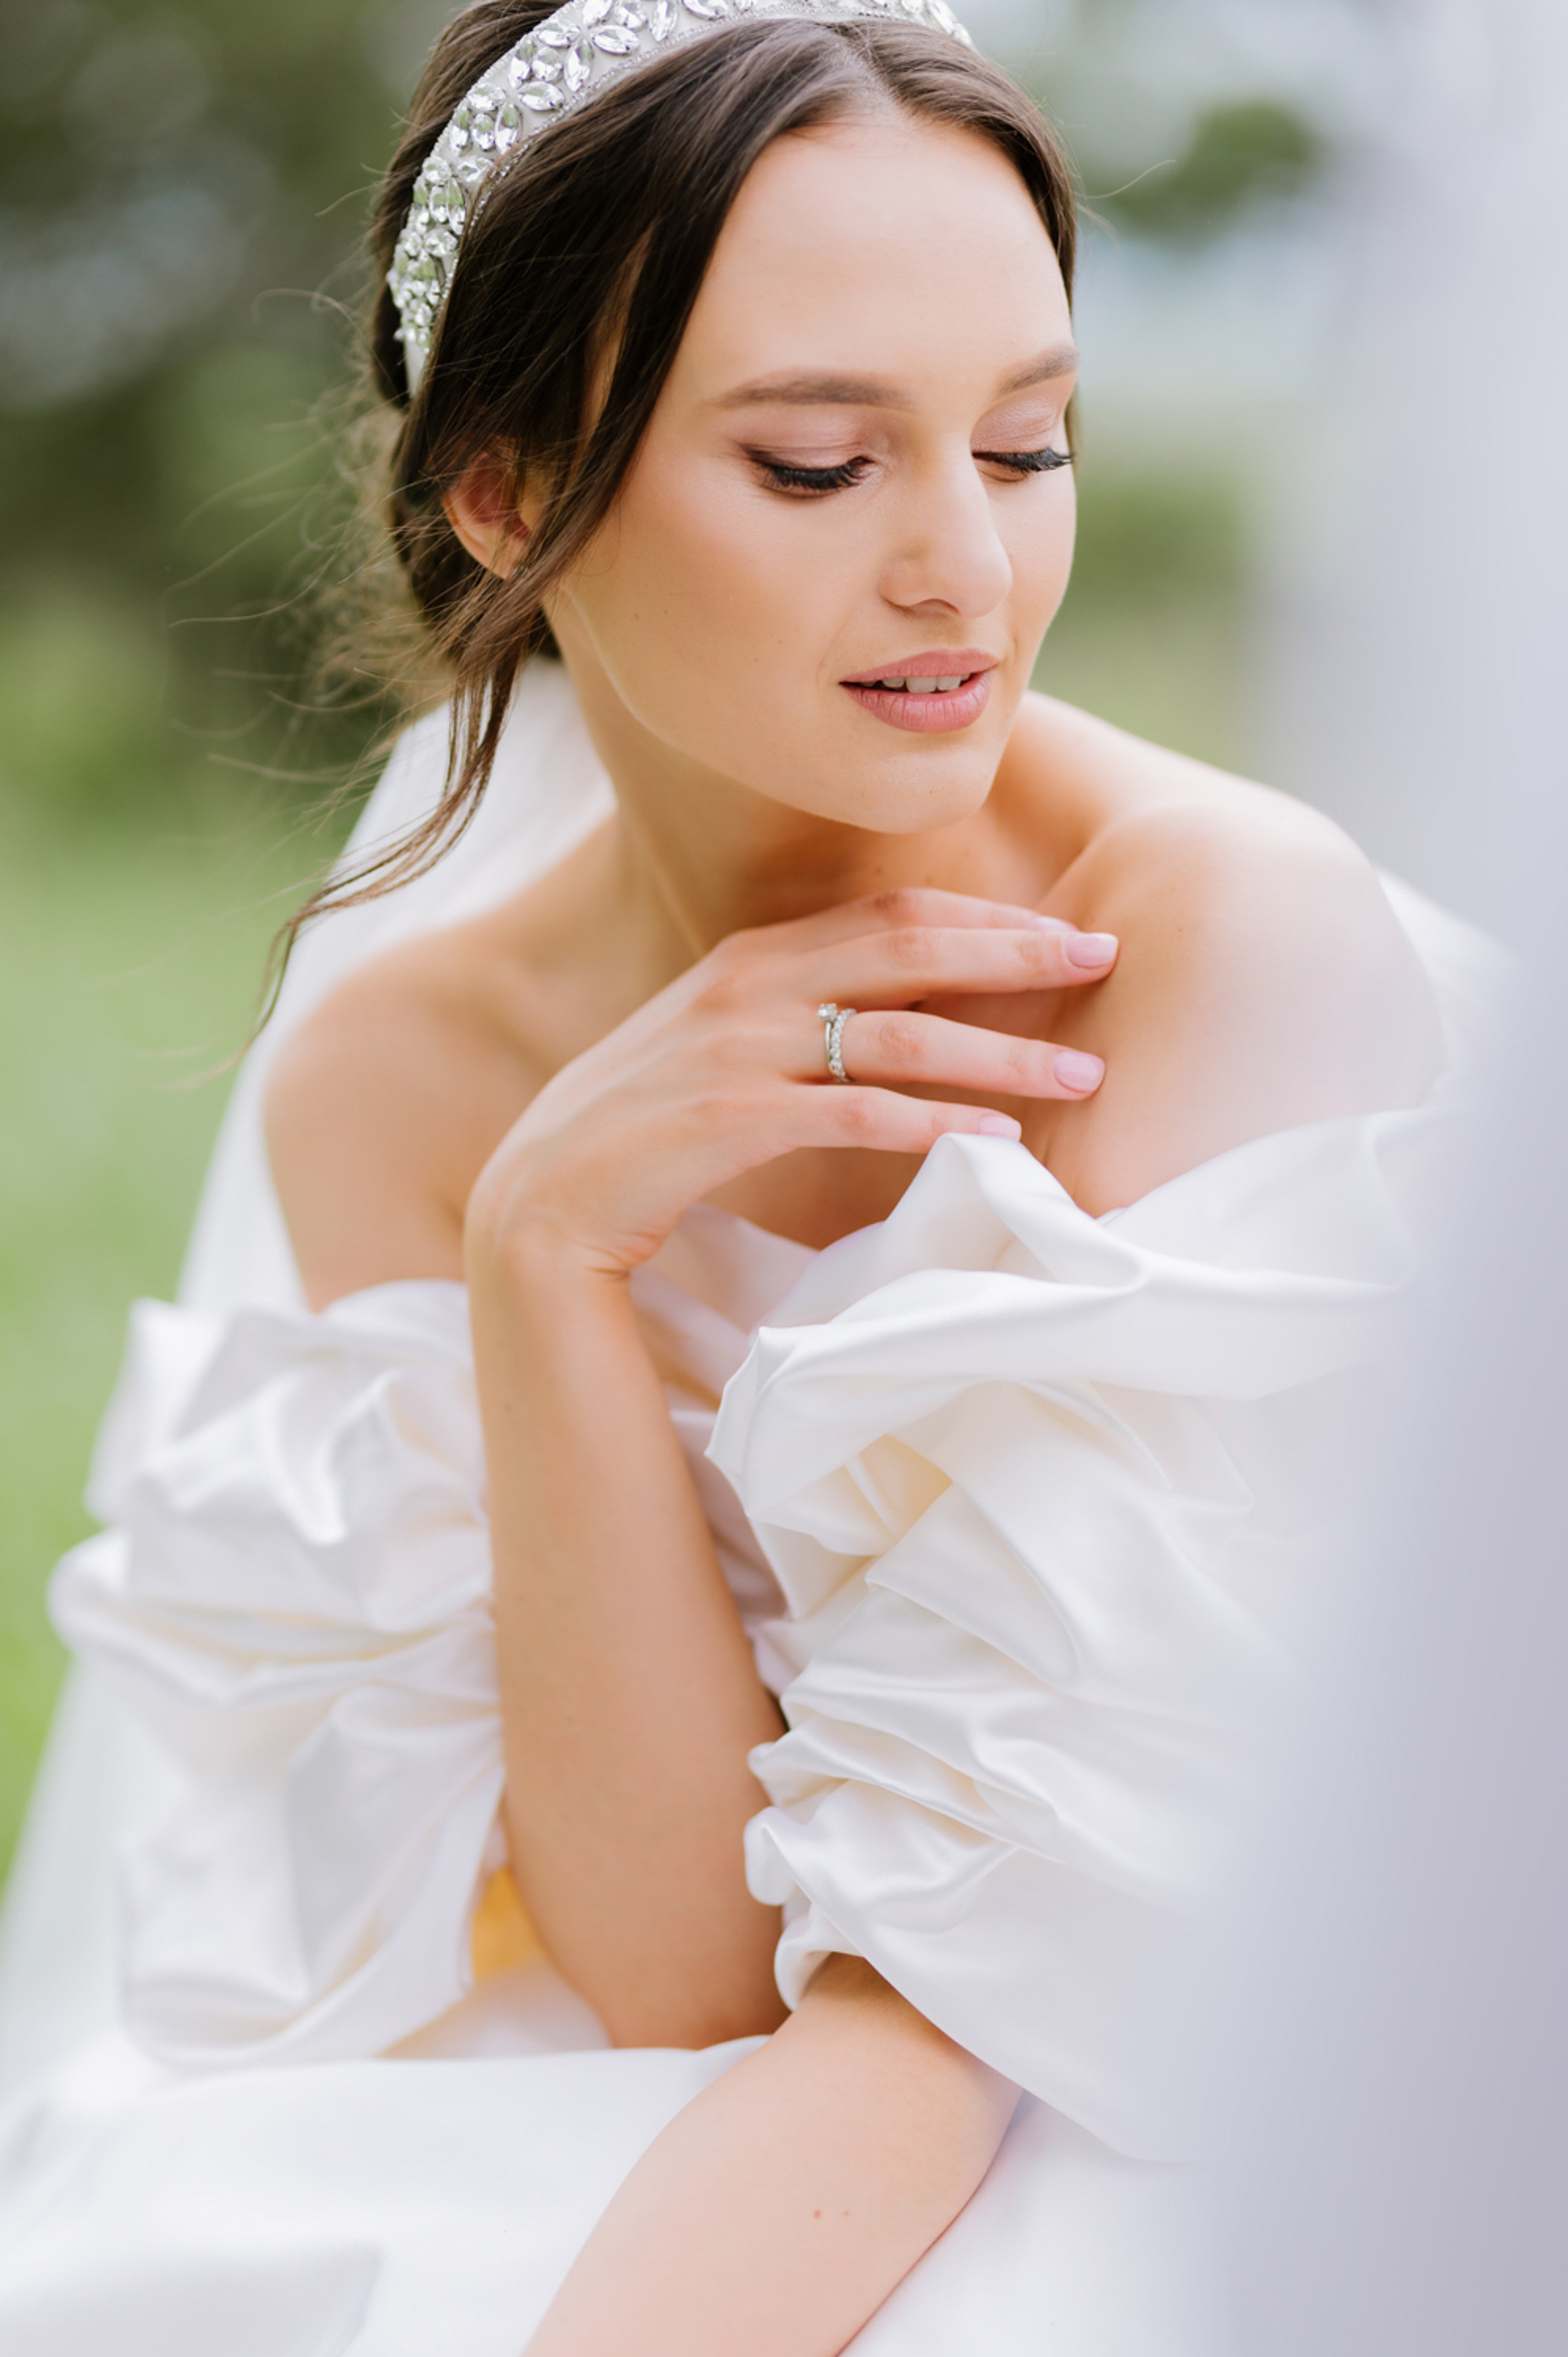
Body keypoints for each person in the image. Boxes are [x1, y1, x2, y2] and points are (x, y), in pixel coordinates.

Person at [0, 4, 1504, 2352]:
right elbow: (679, 1981)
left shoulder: (1201, 942)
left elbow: (979, 1988)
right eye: (818, 464)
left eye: (1026, 443)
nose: (963, 567)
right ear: (508, 498)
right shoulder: (400, 1069)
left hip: (1197, 2041)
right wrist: (544, 1252)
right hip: (764, 2067)